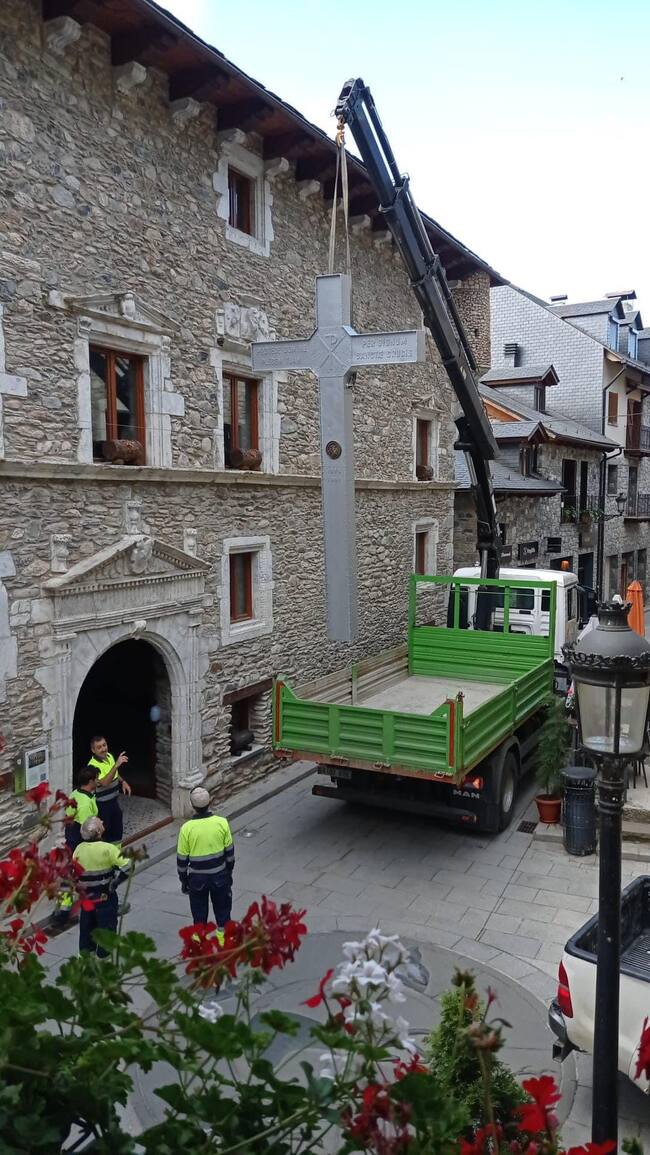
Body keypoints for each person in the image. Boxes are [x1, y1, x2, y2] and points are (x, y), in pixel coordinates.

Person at [177, 787, 235, 930]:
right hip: (220, 876)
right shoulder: (222, 823)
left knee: (199, 917)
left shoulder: (186, 828)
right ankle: (225, 944)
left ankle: (201, 948)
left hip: (197, 880)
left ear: (192, 805)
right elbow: (230, 855)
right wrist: (228, 873)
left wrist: (184, 880)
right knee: (223, 915)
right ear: (209, 802)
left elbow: (182, 860)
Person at [73, 816, 132, 956]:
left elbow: (73, 873)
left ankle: (87, 951)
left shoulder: (78, 850)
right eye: (101, 823)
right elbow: (128, 866)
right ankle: (104, 954)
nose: (103, 822)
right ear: (99, 832)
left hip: (86, 898)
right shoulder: (108, 849)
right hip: (105, 897)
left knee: (87, 926)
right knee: (107, 926)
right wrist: (116, 882)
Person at [88, 735, 131, 845]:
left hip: (113, 801)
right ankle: (106, 858)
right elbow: (104, 783)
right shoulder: (92, 766)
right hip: (102, 805)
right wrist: (116, 765)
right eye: (99, 747)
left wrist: (123, 781)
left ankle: (116, 856)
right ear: (93, 750)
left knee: (117, 830)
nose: (103, 749)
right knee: (104, 833)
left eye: (104, 745)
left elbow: (114, 774)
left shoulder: (109, 756)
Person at [64, 767, 99, 852]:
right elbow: (87, 828)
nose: (99, 780)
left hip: (71, 831)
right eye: (97, 778)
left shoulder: (75, 793)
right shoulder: (85, 804)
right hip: (78, 836)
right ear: (91, 781)